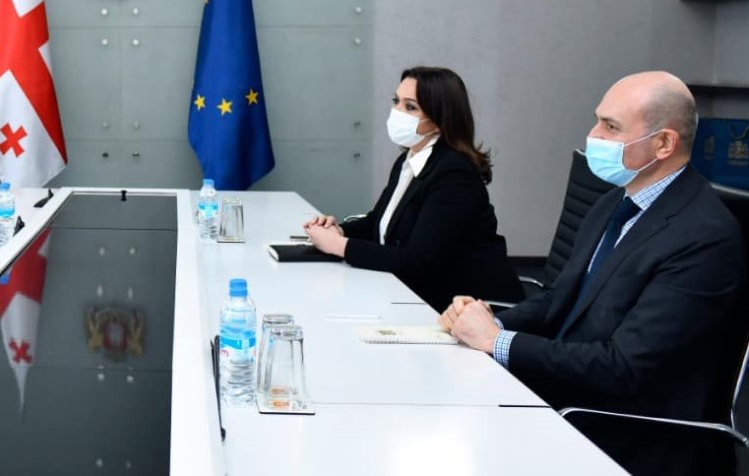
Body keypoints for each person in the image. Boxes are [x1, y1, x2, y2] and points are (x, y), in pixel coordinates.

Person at [439, 71, 746, 475]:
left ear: (664, 143)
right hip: (569, 395)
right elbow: (559, 297)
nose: (593, 135)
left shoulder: (704, 237)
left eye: (611, 127)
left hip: (625, 430)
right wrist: (485, 322)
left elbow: (624, 368)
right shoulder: (613, 203)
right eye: (597, 121)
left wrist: (496, 342)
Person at [303, 66, 522, 310]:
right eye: (396, 101)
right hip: (416, 293)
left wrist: (338, 246)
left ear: (439, 120)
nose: (397, 112)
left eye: (410, 107)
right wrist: (338, 231)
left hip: (469, 307)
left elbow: (417, 261)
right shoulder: (409, 159)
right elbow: (379, 222)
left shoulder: (454, 173)